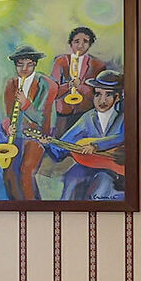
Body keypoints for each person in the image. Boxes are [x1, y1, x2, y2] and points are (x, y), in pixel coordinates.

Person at [44, 69, 129, 201]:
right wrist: (49, 144)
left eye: (108, 95)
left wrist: (95, 145)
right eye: (98, 94)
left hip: (114, 170)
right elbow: (66, 143)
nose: (102, 100)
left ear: (117, 97)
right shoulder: (88, 118)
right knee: (72, 179)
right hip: (88, 166)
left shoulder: (124, 117)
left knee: (103, 186)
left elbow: (122, 136)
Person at [0, 44, 46, 201]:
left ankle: (32, 206)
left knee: (26, 171)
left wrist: (25, 103)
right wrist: (7, 125)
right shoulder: (11, 84)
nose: (24, 68)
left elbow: (43, 119)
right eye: (20, 64)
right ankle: (16, 207)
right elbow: (9, 114)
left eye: (29, 64)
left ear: (35, 64)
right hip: (16, 135)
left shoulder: (44, 84)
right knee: (8, 172)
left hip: (36, 136)